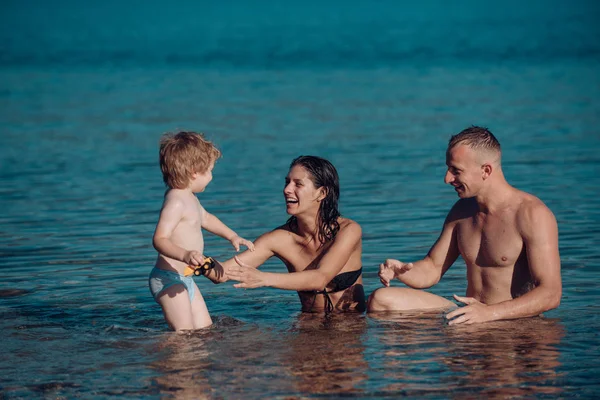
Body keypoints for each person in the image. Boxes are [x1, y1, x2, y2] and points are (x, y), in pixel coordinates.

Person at [367, 126, 562, 324]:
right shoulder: (462, 211)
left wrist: (489, 313)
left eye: (456, 171)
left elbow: (551, 293)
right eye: (448, 169)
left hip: (510, 321)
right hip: (471, 314)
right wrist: (403, 272)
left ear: (486, 170)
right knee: (381, 299)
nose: (447, 178)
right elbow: (433, 267)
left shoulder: (532, 214)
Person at [205, 155, 365, 313]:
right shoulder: (278, 239)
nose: (287, 190)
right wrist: (188, 258)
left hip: (350, 327)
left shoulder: (348, 230)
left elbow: (320, 278)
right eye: (287, 182)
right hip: (308, 328)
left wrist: (264, 278)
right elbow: (222, 274)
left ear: (321, 193)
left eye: (298, 184)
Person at [149, 131, 254, 332]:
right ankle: (163, 358)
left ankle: (193, 362)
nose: (211, 177)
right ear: (194, 171)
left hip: (185, 279)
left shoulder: (190, 198)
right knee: (184, 334)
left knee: (205, 330)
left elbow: (206, 218)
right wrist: (185, 254)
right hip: (168, 279)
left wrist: (232, 235)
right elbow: (159, 239)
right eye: (210, 171)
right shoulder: (176, 201)